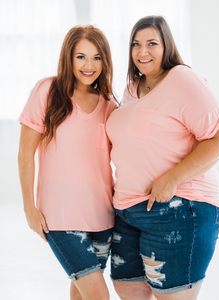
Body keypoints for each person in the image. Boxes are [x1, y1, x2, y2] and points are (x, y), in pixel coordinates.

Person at [106, 15, 219, 300]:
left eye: (152, 43)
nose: (142, 52)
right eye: (136, 44)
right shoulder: (131, 88)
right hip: (128, 211)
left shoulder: (182, 79)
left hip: (179, 208)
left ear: (167, 45)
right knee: (128, 290)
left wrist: (172, 178)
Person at [18, 25, 117, 300]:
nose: (89, 65)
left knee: (82, 292)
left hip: (103, 216)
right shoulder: (47, 91)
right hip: (59, 217)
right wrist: (29, 207)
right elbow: (25, 152)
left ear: (105, 61)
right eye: (81, 56)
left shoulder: (110, 104)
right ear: (68, 58)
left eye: (97, 57)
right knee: (98, 295)